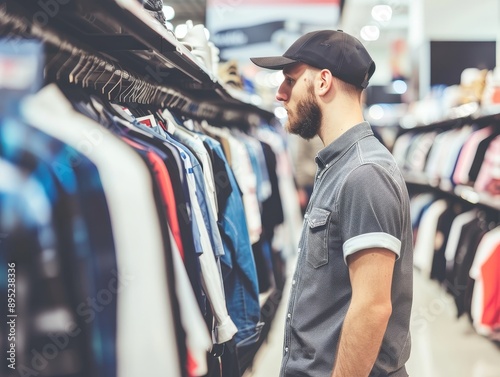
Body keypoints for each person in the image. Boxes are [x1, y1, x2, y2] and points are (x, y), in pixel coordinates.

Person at [251, 30, 413, 377]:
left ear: (323, 81)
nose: (281, 94)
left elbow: (372, 308)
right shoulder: (338, 167)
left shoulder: (364, 173)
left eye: (290, 80)